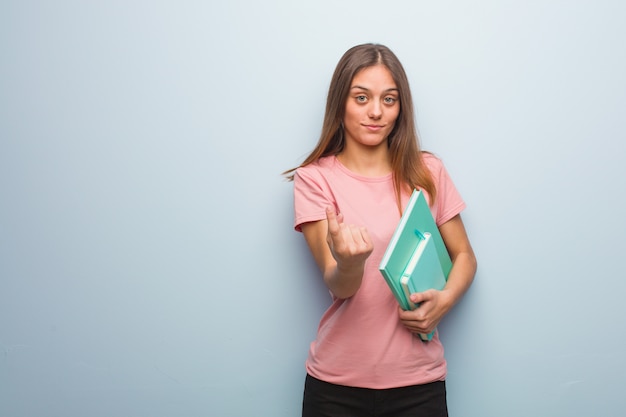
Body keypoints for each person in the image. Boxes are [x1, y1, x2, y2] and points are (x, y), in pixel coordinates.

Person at [284, 43, 477, 417]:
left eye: (389, 100)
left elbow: (465, 256)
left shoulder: (427, 172)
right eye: (362, 98)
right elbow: (339, 285)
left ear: (400, 107)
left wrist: (445, 300)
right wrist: (350, 263)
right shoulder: (315, 180)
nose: (376, 112)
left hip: (419, 385)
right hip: (336, 389)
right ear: (341, 103)